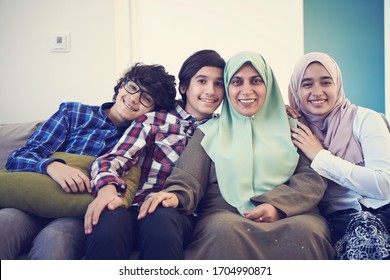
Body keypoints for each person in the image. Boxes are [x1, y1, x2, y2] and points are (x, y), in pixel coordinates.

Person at [139, 51, 335, 259]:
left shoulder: (294, 125)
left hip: (293, 212)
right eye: (237, 82)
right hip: (227, 214)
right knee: (221, 231)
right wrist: (176, 195)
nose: (246, 90)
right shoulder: (209, 130)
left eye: (256, 81)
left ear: (268, 85)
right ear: (227, 89)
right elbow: (188, 177)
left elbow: (312, 177)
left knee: (308, 231)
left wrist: (278, 206)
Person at [0, 62, 177, 260]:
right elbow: (18, 157)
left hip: (74, 215)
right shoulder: (74, 113)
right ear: (121, 86)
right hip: (29, 202)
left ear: (154, 111)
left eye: (146, 98)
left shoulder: (140, 140)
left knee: (55, 238)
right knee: (5, 223)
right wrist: (52, 166)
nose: (134, 99)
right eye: (133, 87)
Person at [84, 49, 226, 259]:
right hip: (135, 205)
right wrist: (107, 190)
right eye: (202, 81)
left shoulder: (224, 128)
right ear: (184, 87)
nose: (211, 91)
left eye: (218, 84)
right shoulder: (154, 120)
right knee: (109, 220)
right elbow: (115, 159)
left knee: (160, 219)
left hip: (178, 214)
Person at [287, 52, 390, 260]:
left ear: (338, 85)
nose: (318, 92)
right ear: (296, 91)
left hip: (382, 211)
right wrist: (274, 114)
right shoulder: (294, 128)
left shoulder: (364, 119)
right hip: (335, 218)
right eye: (307, 84)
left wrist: (321, 157)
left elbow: (384, 184)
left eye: (326, 82)